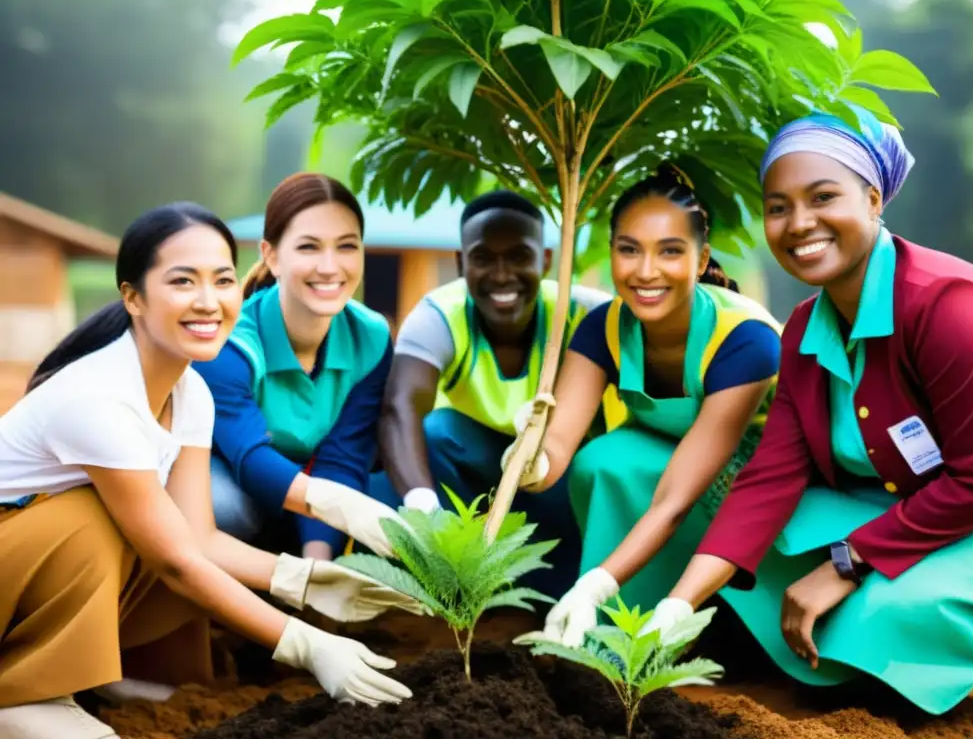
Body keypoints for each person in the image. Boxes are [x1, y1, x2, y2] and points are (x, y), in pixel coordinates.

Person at [641, 109, 973, 715]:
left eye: (823, 197)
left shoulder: (952, 309)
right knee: (753, 544)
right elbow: (772, 476)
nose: (799, 223)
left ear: (873, 199)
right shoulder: (802, 331)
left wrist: (848, 563)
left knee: (882, 616)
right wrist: (677, 606)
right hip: (906, 508)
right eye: (778, 207)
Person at [0, 204, 420, 739]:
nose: (208, 301)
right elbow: (176, 562)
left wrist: (304, 580)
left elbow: (199, 537)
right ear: (133, 297)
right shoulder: (97, 400)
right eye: (182, 281)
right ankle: (26, 694)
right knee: (97, 517)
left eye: (223, 280)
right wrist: (307, 644)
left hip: (29, 579)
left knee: (161, 529)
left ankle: (103, 673)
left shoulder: (189, 389)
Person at [512, 164, 783, 646]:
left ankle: (706, 621)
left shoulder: (745, 340)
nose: (645, 271)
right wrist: (528, 455)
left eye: (670, 252)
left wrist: (595, 585)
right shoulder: (604, 327)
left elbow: (675, 500)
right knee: (602, 462)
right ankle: (624, 634)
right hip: (671, 480)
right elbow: (558, 446)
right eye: (629, 250)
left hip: (756, 495)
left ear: (701, 262)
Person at [372, 190, 621, 598]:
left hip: (559, 479)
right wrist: (423, 507)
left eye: (520, 257)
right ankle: (452, 582)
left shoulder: (586, 314)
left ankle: (565, 589)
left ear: (545, 261)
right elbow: (400, 408)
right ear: (460, 263)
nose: (502, 274)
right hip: (475, 478)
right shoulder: (440, 315)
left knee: (600, 464)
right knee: (432, 435)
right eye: (484, 258)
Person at [193, 173, 398, 562]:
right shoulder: (228, 340)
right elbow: (248, 456)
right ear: (271, 255)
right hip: (236, 478)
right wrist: (340, 509)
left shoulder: (370, 338)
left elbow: (345, 456)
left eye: (346, 247)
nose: (329, 266)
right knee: (227, 507)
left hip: (314, 487)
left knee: (390, 493)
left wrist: (316, 566)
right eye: (308, 247)